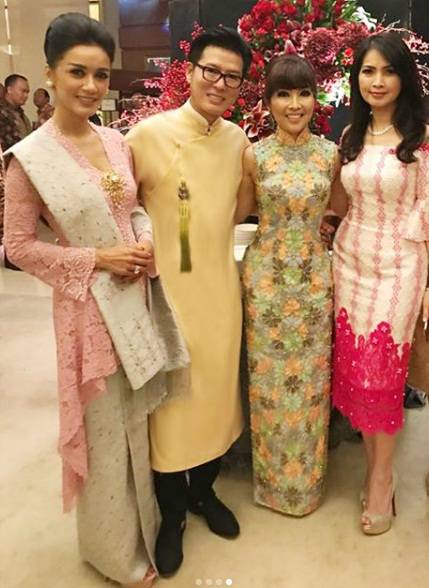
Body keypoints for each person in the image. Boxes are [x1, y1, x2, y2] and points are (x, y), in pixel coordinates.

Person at [4, 13, 189, 587]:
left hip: (137, 297)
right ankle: (115, 554)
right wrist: (96, 259)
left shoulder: (115, 140)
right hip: (86, 311)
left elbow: (132, 209)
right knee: (105, 433)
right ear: (50, 74)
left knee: (139, 421)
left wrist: (144, 241)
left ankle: (148, 529)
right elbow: (17, 246)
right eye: (77, 72)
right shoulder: (29, 159)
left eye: (101, 75)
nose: (90, 86)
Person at [126, 27, 251, 576]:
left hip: (219, 292)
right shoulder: (146, 135)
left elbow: (241, 208)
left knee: (217, 398)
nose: (219, 84)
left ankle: (204, 491)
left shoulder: (238, 142)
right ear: (190, 70)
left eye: (232, 77)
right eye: (211, 71)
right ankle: (171, 512)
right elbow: (121, 208)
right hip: (166, 299)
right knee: (172, 409)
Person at [329, 31, 429, 535]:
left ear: (403, 77)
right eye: (368, 71)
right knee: (358, 373)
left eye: (388, 71)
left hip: (400, 265)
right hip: (350, 261)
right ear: (357, 78)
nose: (378, 81)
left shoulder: (421, 138)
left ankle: (383, 480)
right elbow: (341, 201)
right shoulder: (351, 135)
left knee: (382, 377)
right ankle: (373, 470)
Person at [235, 54, 337, 516]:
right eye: (283, 94)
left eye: (303, 93)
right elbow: (239, 212)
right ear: (268, 101)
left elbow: (341, 208)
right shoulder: (254, 155)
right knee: (269, 384)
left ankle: (307, 487)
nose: (294, 104)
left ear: (315, 99)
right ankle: (272, 486)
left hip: (314, 281)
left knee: (311, 384)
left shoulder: (330, 154)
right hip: (266, 284)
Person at [0, 74, 31, 151]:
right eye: (23, 91)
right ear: (9, 90)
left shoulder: (21, 114)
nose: (26, 95)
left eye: (27, 92)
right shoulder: (2, 112)